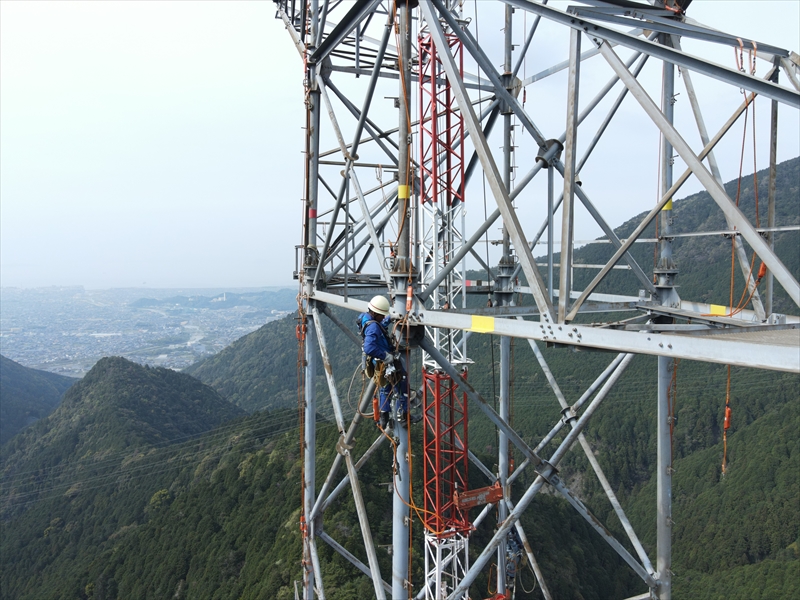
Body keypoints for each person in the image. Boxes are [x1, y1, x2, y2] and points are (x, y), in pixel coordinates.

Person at [358, 295, 416, 430]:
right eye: (382, 316)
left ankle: (384, 417)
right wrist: (385, 356)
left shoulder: (366, 318)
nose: (383, 318)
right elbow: (369, 347)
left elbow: (377, 326)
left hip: (376, 363)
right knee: (401, 384)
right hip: (383, 361)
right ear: (376, 313)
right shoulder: (373, 327)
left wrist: (389, 319)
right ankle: (404, 417)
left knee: (385, 388)